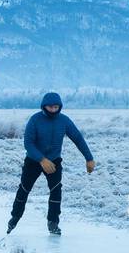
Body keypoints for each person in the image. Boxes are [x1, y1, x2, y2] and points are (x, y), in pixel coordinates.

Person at [8, 92, 95, 235]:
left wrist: (89, 158)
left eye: (56, 107)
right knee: (24, 189)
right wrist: (42, 159)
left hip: (54, 161)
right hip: (34, 161)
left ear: (60, 107)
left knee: (56, 190)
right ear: (44, 107)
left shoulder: (64, 121)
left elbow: (78, 138)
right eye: (50, 107)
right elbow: (28, 143)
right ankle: (14, 217)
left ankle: (53, 223)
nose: (53, 110)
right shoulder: (35, 120)